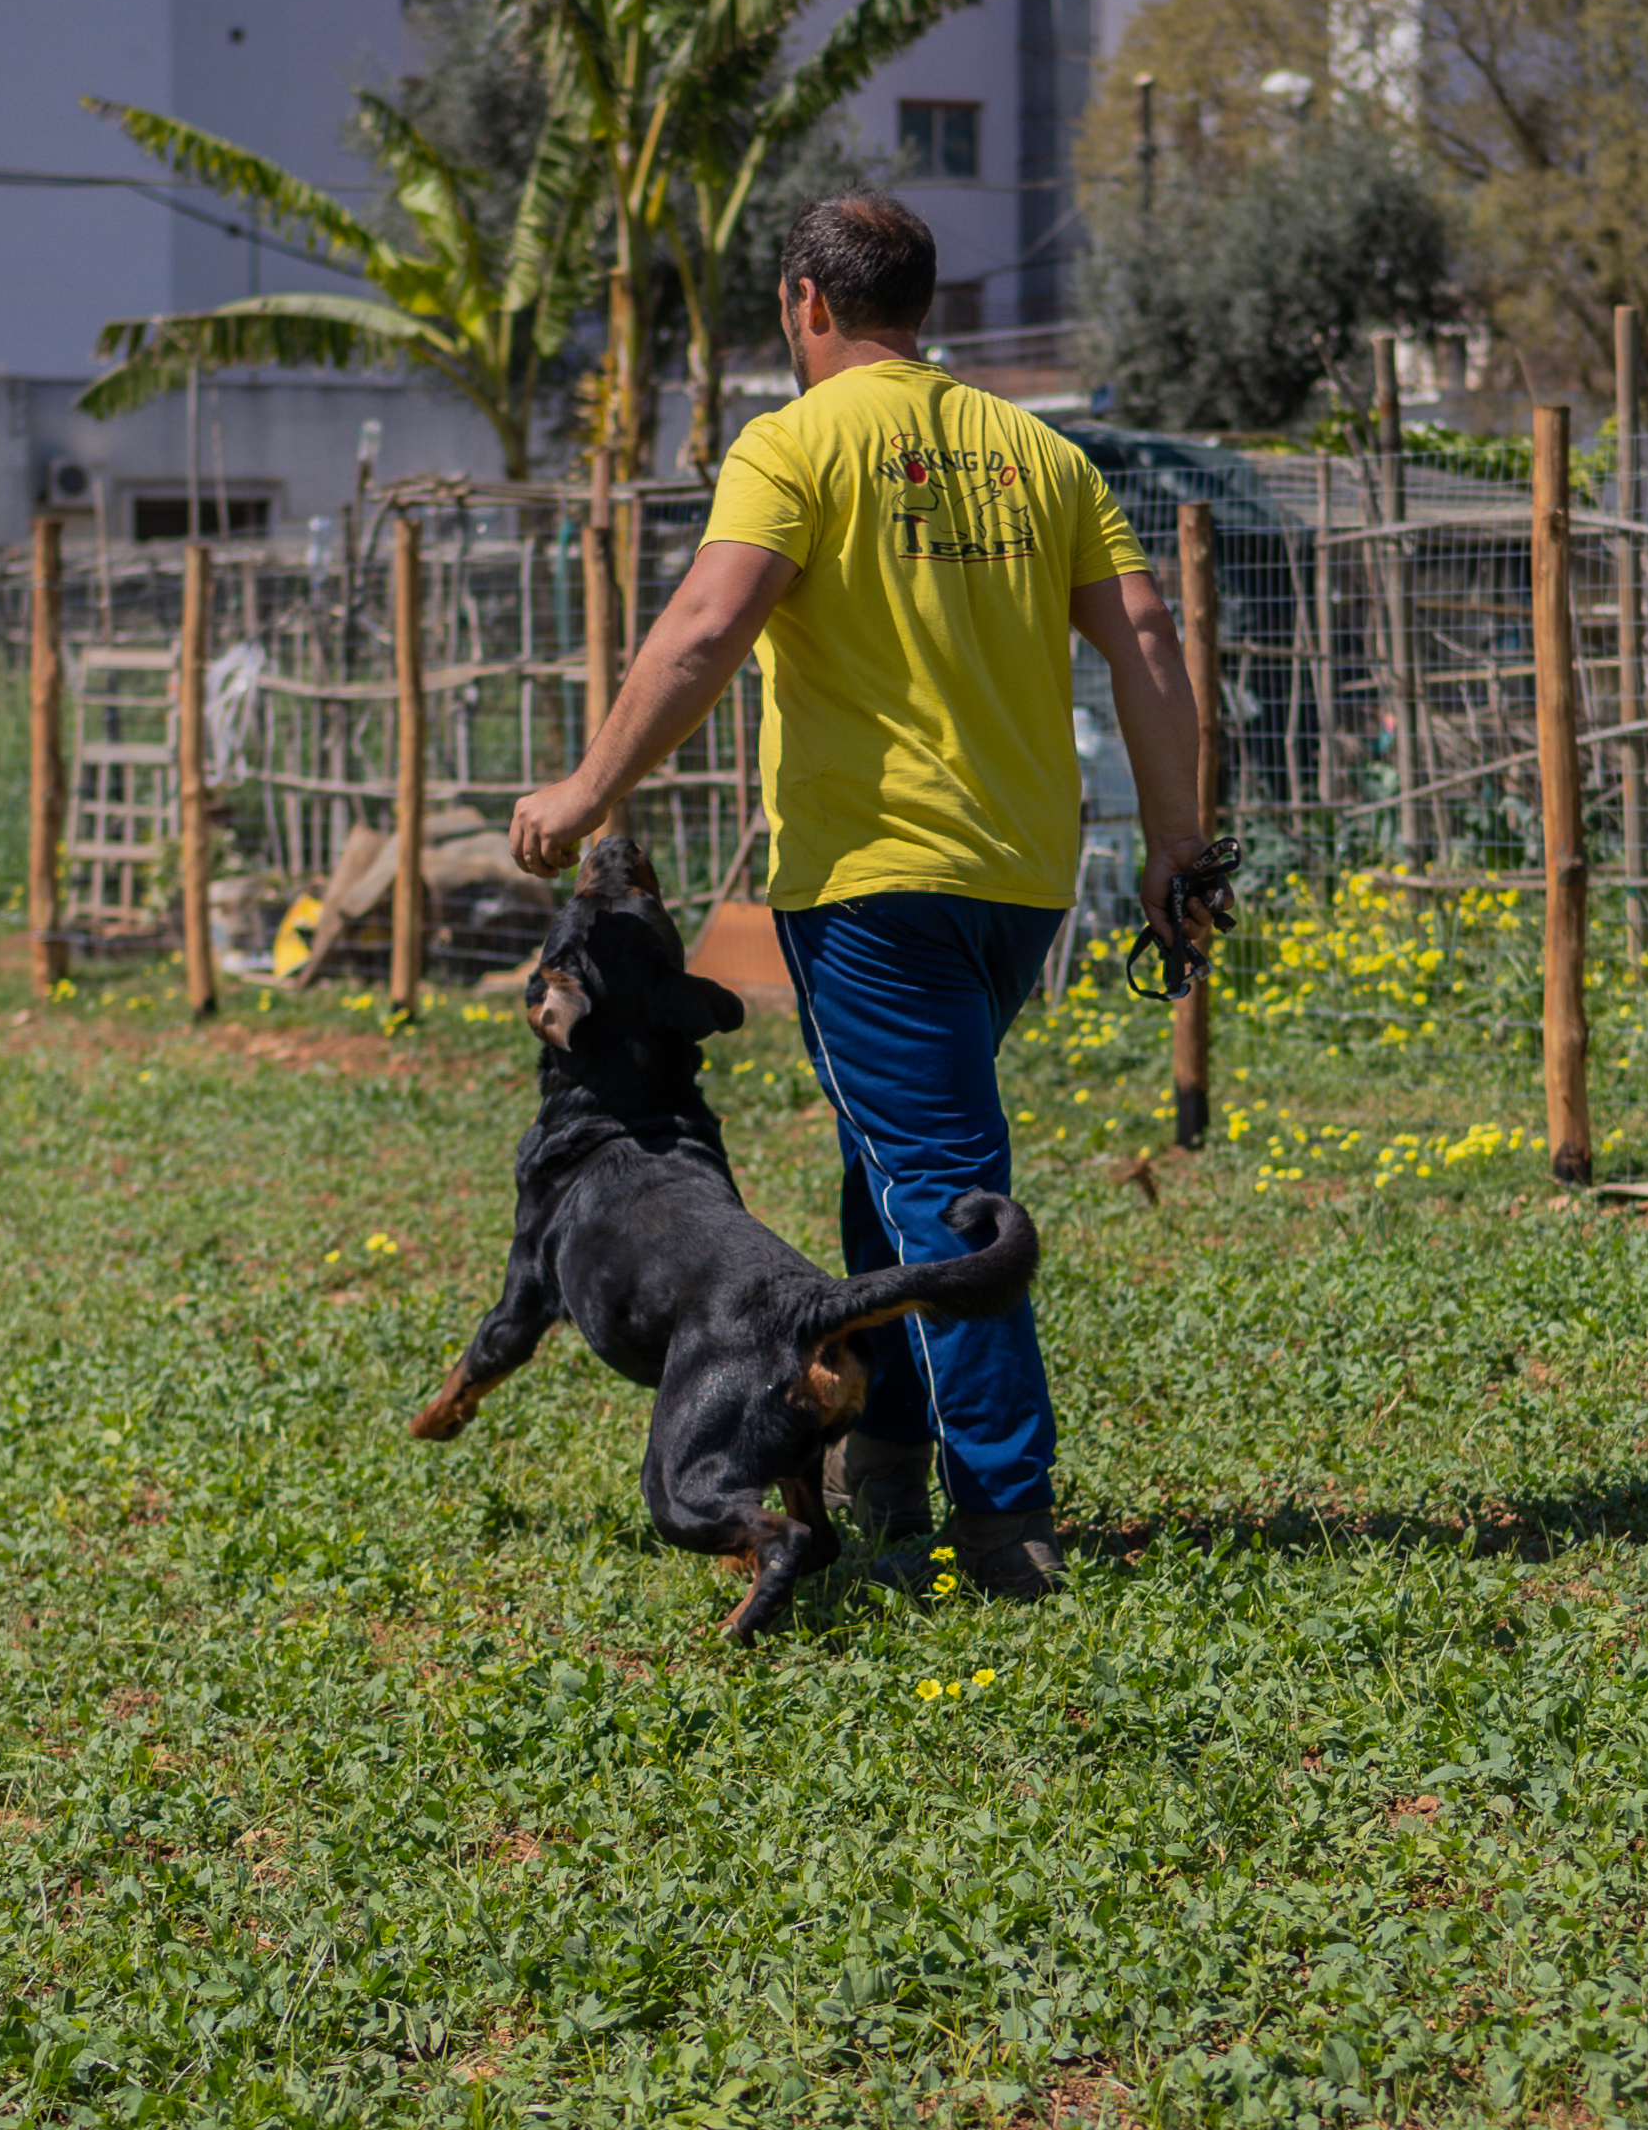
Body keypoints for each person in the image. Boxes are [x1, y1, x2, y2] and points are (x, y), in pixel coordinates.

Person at [508, 193, 1210, 1597]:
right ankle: (883, 1453)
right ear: (921, 306)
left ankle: (1005, 1518)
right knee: (884, 1161)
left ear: (803, 305)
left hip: (874, 882)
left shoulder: (795, 443)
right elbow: (1141, 629)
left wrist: (588, 791)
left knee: (942, 1187)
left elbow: (709, 623)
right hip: (1015, 885)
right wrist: (1180, 850)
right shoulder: (1037, 451)